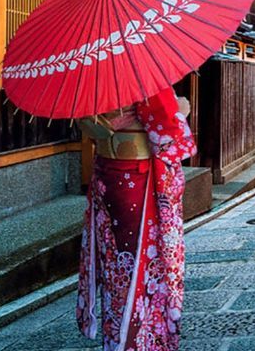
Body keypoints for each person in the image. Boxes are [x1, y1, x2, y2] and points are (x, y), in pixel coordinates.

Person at [76, 88, 195, 350]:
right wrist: (180, 111)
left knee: (115, 263)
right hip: (137, 181)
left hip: (107, 177)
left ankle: (115, 335)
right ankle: (137, 341)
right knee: (140, 263)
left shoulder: (93, 78)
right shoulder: (143, 79)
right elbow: (168, 138)